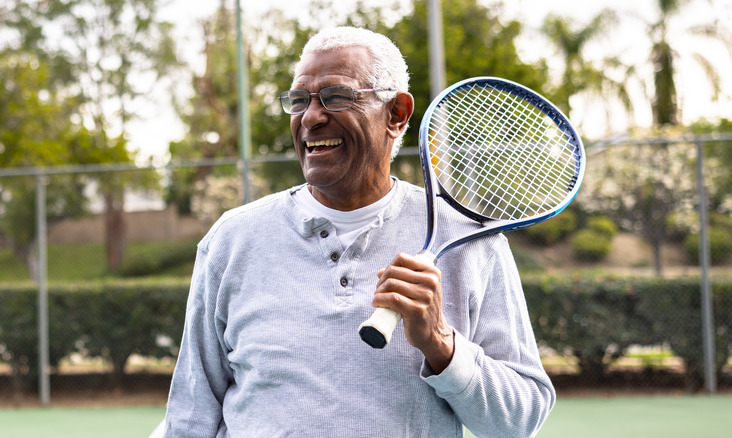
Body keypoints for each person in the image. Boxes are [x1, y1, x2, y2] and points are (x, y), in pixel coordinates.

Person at [163, 26, 555, 438]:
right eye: (299, 101)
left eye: (337, 96)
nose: (311, 117)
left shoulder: (474, 243)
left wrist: (440, 342)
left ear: (397, 114)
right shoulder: (232, 239)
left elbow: (519, 421)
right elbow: (192, 411)